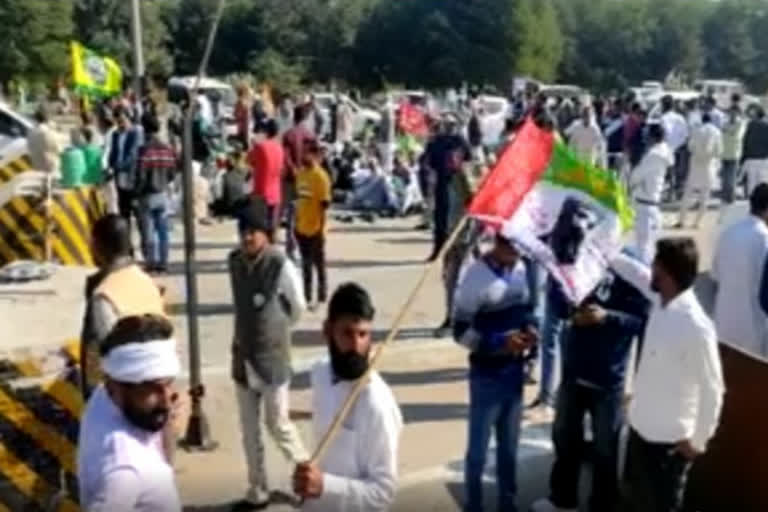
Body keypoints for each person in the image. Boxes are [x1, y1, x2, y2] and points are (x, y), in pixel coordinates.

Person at [610, 238, 724, 512]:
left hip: (669, 448)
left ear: (667, 272)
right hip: (640, 433)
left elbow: (713, 389)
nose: (650, 270)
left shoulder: (696, 326)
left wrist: (697, 442)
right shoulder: (660, 301)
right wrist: (605, 252)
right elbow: (635, 273)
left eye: (655, 264)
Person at [531, 262, 649, 512]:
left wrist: (606, 317)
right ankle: (563, 499)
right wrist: (571, 308)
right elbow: (557, 306)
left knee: (605, 449)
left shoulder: (631, 271)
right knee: (565, 439)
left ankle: (602, 504)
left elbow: (640, 321)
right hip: (573, 373)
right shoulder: (576, 264)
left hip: (608, 380)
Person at [292, 283, 403, 511]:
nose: (356, 345)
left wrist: (324, 485)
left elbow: (382, 493)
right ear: (327, 331)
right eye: (347, 333)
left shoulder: (376, 403)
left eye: (363, 334)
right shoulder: (320, 373)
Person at [228, 199, 308, 511]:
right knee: (249, 432)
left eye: (254, 232)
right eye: (243, 232)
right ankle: (257, 488)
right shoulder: (234, 261)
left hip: (272, 357)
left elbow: (297, 305)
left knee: (279, 424)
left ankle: (305, 475)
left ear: (266, 234)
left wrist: (279, 328)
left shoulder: (280, 263)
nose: (248, 238)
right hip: (242, 356)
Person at [452, 232, 539, 512]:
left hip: (514, 373)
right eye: (509, 244)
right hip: (486, 375)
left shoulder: (522, 269)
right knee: (478, 452)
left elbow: (526, 309)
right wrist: (500, 343)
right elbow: (460, 331)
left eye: (519, 244)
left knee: (509, 449)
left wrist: (531, 329)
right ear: (497, 241)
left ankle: (508, 503)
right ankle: (473, 504)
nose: (515, 250)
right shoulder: (475, 276)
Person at [77, 314, 181, 511]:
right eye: (153, 389)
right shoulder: (124, 471)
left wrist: (168, 429)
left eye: (169, 384)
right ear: (115, 387)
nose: (167, 401)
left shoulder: (104, 399)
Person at [80, 214, 166, 397]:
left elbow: (98, 360)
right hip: (158, 383)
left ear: (97, 246)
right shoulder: (147, 282)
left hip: (125, 395)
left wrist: (94, 402)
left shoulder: (104, 295)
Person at [712, 184, 768, 358]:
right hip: (752, 332)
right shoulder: (764, 239)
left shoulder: (729, 232)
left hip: (723, 324)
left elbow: (715, 274)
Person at [423, 116, 471, 261]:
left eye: (451, 124)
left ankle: (458, 251)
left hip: (456, 183)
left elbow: (468, 159)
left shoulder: (460, 141)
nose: (449, 127)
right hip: (442, 183)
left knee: (455, 218)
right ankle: (439, 249)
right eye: (448, 124)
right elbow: (429, 163)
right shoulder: (436, 141)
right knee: (441, 219)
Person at [135, 115, 177, 274]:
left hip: (147, 195)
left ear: (144, 129)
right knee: (163, 230)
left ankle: (151, 263)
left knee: (149, 231)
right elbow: (173, 173)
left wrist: (137, 193)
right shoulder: (167, 149)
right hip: (163, 194)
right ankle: (164, 263)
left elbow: (141, 175)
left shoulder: (144, 150)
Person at [629, 123, 674, 264]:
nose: (645, 138)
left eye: (647, 135)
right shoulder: (665, 151)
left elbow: (635, 177)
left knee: (642, 254)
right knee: (650, 251)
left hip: (645, 209)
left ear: (653, 137)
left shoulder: (653, 156)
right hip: (652, 206)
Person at [295, 140, 332, 308]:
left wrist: (321, 229)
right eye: (303, 153)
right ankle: (306, 295)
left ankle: (322, 294)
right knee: (305, 264)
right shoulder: (301, 175)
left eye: (308, 153)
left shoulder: (321, 177)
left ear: (316, 155)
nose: (304, 156)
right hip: (301, 227)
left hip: (316, 227)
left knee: (319, 263)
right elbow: (299, 200)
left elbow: (324, 205)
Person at [676, 113, 722, 229]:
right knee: (705, 195)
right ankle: (697, 223)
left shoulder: (697, 130)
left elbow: (690, 147)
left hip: (695, 165)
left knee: (688, 193)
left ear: (702, 120)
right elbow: (719, 151)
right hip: (709, 166)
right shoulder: (717, 132)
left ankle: (681, 221)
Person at [283, 105, 316, 260]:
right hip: (307, 178)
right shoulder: (309, 135)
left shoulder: (288, 135)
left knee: (291, 213)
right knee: (305, 211)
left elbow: (285, 156)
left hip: (290, 179)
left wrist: (292, 169)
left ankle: (291, 246)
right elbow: (315, 157)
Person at [108, 106, 144, 235]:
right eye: (118, 122)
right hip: (120, 180)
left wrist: (119, 166)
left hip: (133, 179)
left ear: (129, 118)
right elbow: (113, 153)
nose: (120, 124)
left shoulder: (136, 132)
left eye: (122, 120)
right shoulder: (115, 134)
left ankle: (146, 248)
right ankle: (128, 248)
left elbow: (133, 155)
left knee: (139, 216)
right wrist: (111, 166)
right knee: (124, 214)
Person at [249, 119, 285, 241]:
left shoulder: (261, 147)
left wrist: (253, 144)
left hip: (261, 190)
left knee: (260, 225)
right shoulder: (279, 148)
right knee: (272, 224)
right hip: (275, 191)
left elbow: (250, 160)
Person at [660, 95, 690, 199]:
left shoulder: (663, 118)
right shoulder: (680, 118)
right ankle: (678, 193)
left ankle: (669, 195)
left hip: (667, 150)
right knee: (678, 173)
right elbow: (686, 135)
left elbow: (663, 134)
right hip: (679, 149)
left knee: (668, 173)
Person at [720, 105, 747, 209]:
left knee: (731, 179)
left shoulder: (741, 123)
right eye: (730, 112)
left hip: (734, 154)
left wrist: (727, 132)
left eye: (734, 112)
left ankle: (731, 199)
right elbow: (723, 134)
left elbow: (737, 135)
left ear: (738, 113)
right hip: (724, 153)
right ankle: (724, 198)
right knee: (724, 178)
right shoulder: (725, 123)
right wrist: (728, 132)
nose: (732, 114)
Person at [27, 103, 62, 174]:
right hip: (49, 164)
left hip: (35, 163)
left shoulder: (31, 131)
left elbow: (29, 147)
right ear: (46, 118)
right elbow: (57, 148)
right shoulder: (47, 131)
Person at [741, 106, 768, 194]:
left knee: (751, 182)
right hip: (763, 158)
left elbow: (745, 140)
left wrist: (744, 155)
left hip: (751, 157)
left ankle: (751, 198)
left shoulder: (751, 124)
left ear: (756, 115)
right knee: (762, 180)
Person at [234, 84, 252, 149]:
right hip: (248, 124)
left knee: (243, 143)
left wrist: (236, 116)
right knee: (247, 142)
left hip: (242, 125)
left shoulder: (240, 101)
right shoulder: (248, 101)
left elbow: (237, 114)